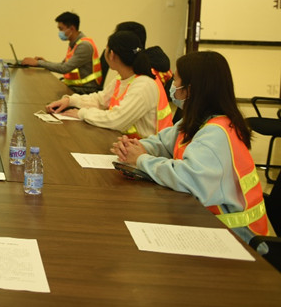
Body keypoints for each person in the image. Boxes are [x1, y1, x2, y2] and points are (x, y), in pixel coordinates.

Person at [111, 51, 268, 244]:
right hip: (207, 221)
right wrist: (135, 147)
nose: (172, 85)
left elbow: (188, 179)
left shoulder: (217, 133)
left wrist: (141, 160)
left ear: (190, 89)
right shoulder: (198, 121)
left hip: (236, 238)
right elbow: (163, 142)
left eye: (176, 80)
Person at [47, 31, 169, 139]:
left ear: (111, 54)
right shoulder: (122, 78)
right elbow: (100, 100)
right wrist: (70, 101)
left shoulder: (143, 85)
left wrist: (82, 113)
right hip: (124, 143)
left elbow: (117, 120)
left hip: (146, 151)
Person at [22, 11, 102, 93]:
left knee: (46, 90)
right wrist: (45, 62)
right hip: (76, 86)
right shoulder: (74, 44)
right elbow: (63, 65)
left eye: (61, 29)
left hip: (86, 89)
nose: (60, 32)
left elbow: (64, 68)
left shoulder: (84, 46)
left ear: (72, 29)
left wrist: (38, 63)